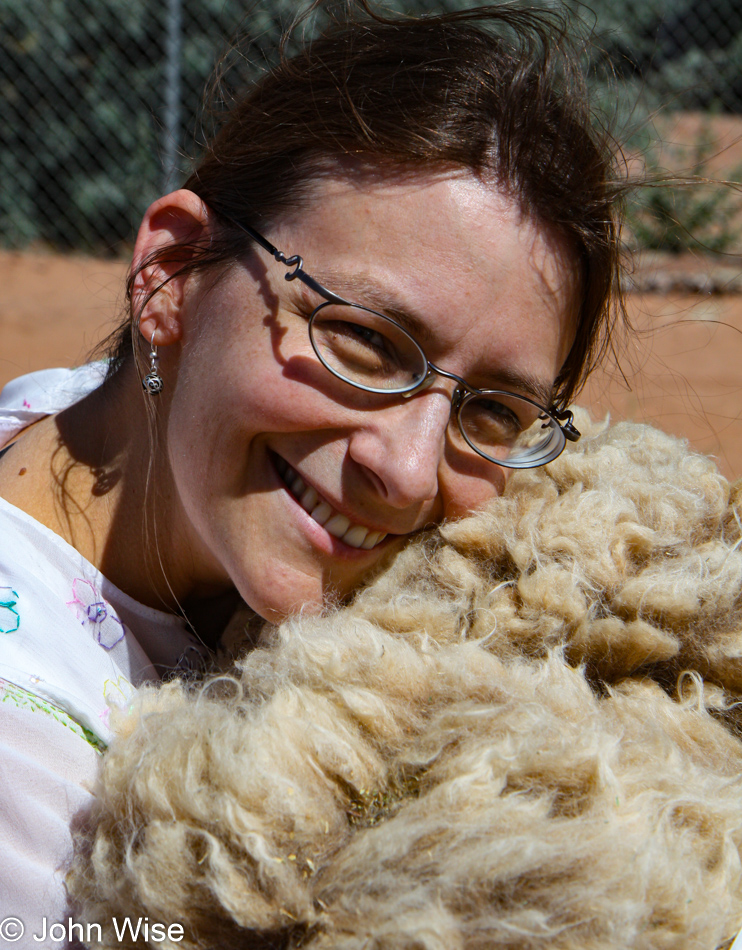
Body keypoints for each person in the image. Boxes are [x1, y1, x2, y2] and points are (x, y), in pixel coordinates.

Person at [0, 0, 622, 935]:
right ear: (171, 274)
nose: (411, 474)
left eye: (493, 408)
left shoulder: (103, 411)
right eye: (364, 341)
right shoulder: (30, 773)